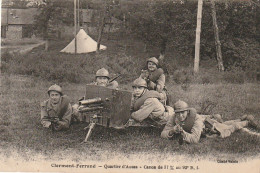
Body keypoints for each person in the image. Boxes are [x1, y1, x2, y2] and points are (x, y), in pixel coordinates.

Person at [161, 100, 260, 144]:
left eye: (182, 112)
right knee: (224, 124)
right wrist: (172, 131)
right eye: (178, 113)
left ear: (187, 111)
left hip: (208, 127)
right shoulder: (174, 117)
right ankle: (241, 119)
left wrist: (183, 133)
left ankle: (246, 122)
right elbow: (163, 133)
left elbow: (195, 139)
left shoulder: (196, 119)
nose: (180, 115)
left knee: (227, 129)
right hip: (206, 121)